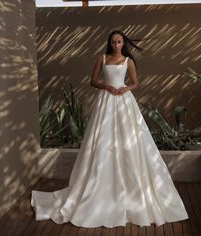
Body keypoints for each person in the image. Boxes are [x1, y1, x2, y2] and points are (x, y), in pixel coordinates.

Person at [31, 29, 189, 228]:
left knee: (129, 141)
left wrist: (125, 88)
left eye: (119, 42)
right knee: (102, 141)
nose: (116, 45)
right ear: (109, 43)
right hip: (106, 101)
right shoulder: (102, 58)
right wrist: (106, 87)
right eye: (113, 42)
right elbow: (92, 81)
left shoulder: (128, 61)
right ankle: (97, 187)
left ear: (124, 44)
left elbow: (135, 83)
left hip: (124, 102)